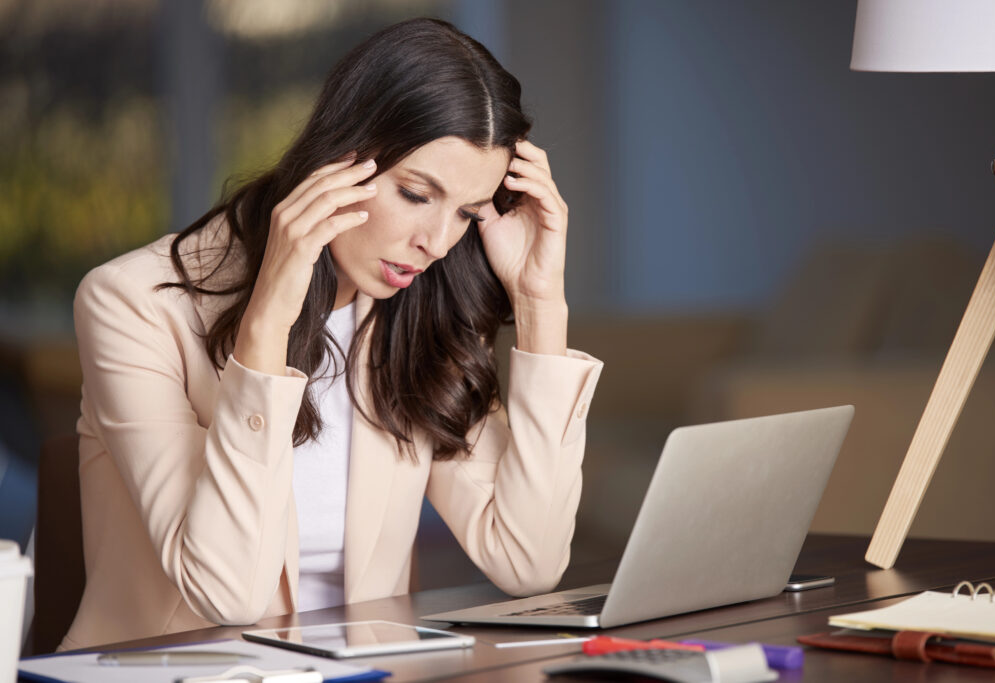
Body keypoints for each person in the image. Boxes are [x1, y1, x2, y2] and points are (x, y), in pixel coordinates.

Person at [62, 17, 602, 650]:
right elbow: (226, 593)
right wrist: (266, 325)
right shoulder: (132, 304)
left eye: (465, 212)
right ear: (338, 158)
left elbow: (528, 562)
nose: (434, 242)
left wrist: (539, 301)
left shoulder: (422, 313)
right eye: (414, 193)